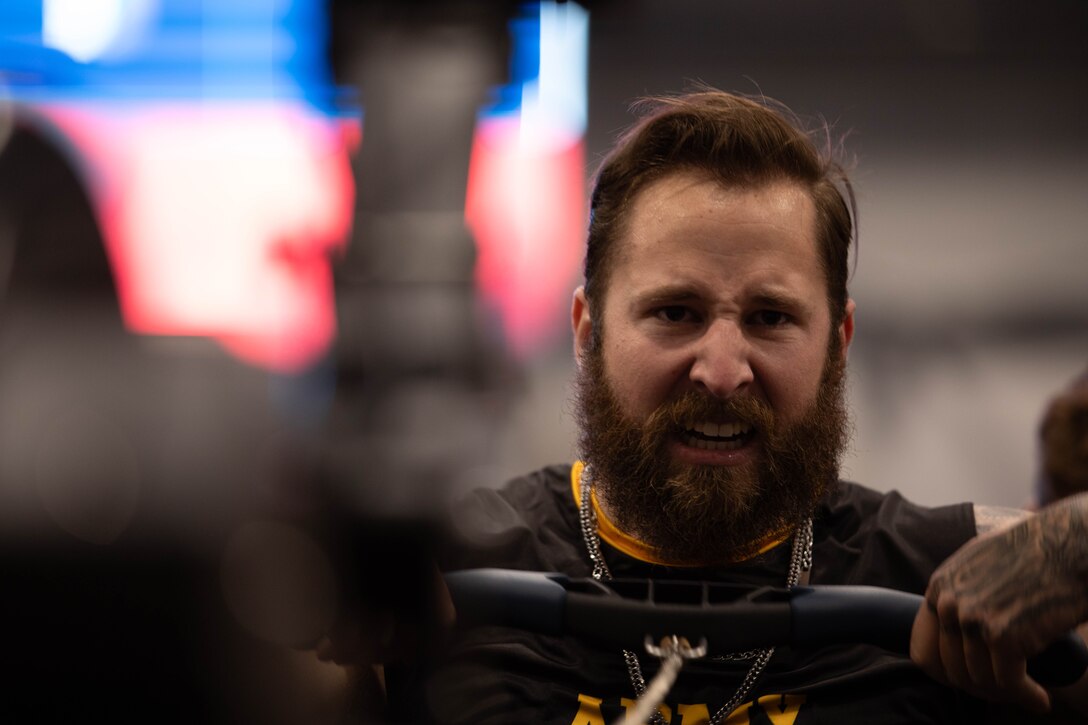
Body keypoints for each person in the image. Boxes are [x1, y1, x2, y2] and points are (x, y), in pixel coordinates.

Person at [370, 89, 1088, 724]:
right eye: (676, 312)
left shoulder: (943, 574)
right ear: (589, 333)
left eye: (771, 317)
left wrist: (1078, 542)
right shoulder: (444, 568)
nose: (720, 371)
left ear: (838, 344)